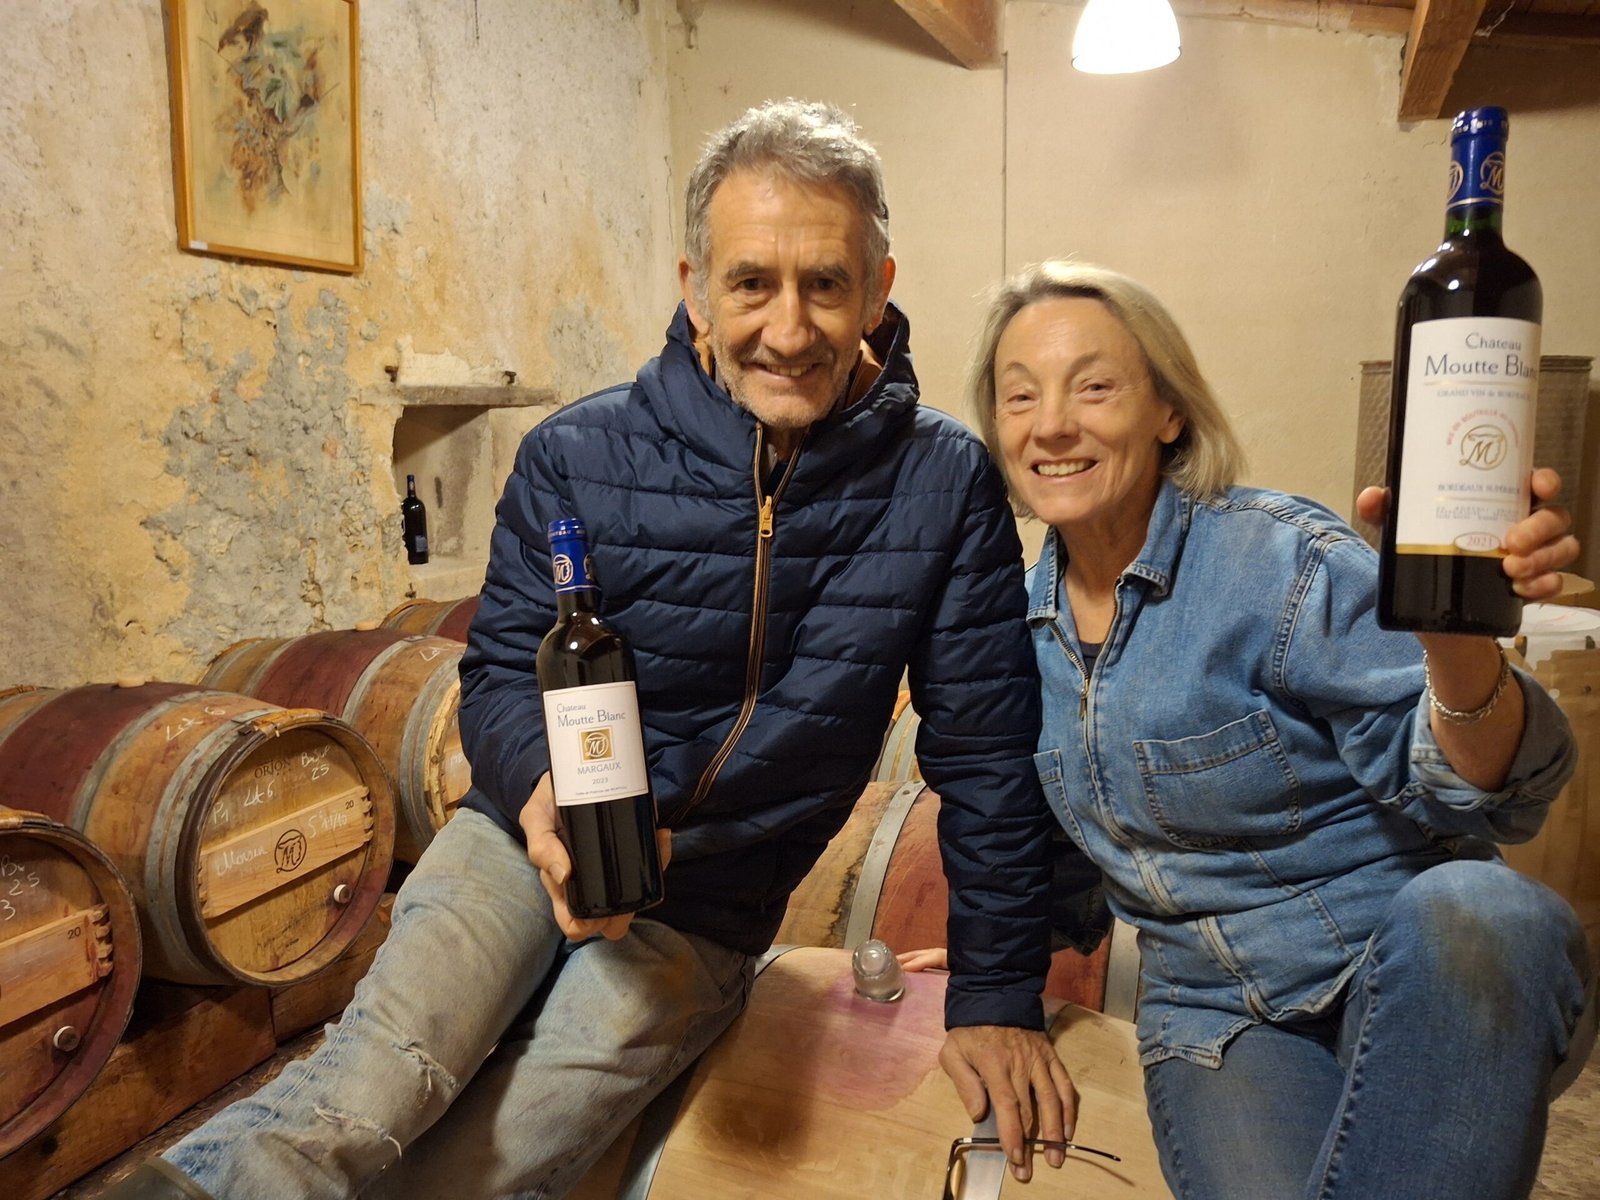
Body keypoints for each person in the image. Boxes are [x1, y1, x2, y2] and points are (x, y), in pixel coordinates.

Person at [106, 102, 1079, 1200]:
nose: (790, 327)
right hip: (522, 842)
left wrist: (998, 998)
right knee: (363, 1096)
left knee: (498, 1159)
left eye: (825, 283)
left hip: (708, 907)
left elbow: (987, 753)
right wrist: (543, 800)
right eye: (751, 283)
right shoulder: (577, 452)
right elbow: (499, 675)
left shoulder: (945, 483)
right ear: (695, 288)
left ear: (878, 286)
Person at [945, 259, 1596, 1200]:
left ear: (1170, 411)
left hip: (1405, 963)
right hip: (1218, 1014)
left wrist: (1456, 644)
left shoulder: (1280, 562)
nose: (1051, 423)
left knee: (1488, 910)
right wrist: (988, 966)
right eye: (1019, 397)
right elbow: (1064, 837)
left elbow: (1484, 799)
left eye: (1094, 387)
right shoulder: (1011, 629)